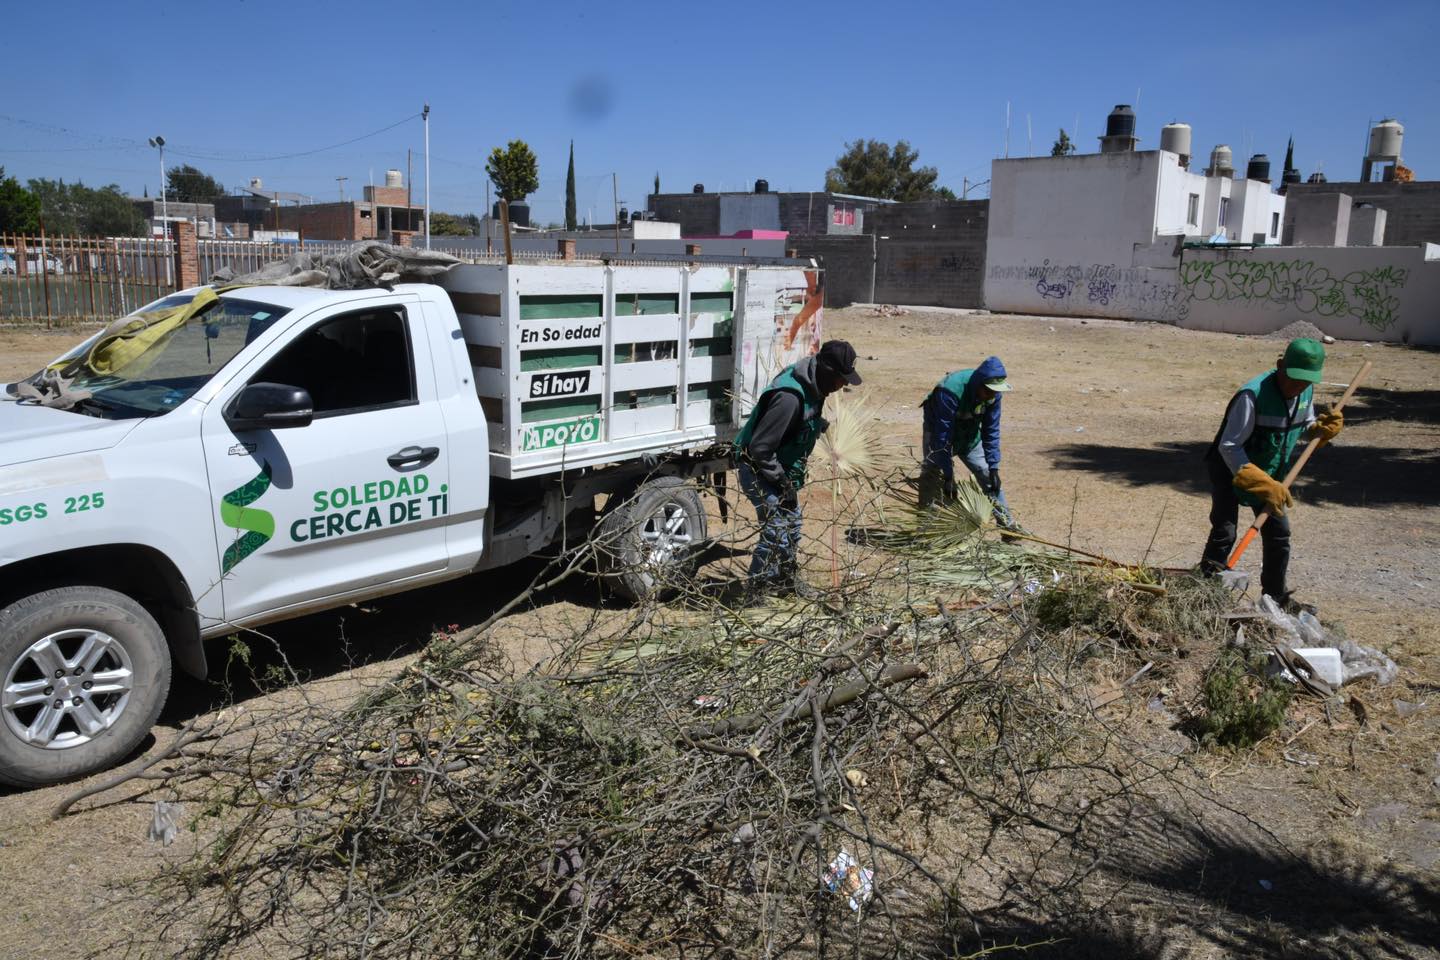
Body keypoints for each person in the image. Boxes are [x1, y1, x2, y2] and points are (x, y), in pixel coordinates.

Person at [1199, 337, 1344, 604]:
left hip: (1271, 473)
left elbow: (1306, 423)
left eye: (1306, 381)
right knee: (1225, 531)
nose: (1298, 387)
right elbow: (1229, 445)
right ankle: (1204, 591)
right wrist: (1255, 479)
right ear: (1280, 366)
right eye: (1294, 379)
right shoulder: (1252, 395)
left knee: (1278, 533)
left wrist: (1319, 431)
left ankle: (1275, 598)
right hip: (1229, 467)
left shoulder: (1305, 391)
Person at [735, 340, 862, 594]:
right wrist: (782, 485)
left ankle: (784, 581)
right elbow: (760, 448)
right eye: (841, 378)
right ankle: (756, 591)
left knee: (792, 524)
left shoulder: (816, 386)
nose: (843, 385)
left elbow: (803, 419)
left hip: (778, 468)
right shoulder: (789, 398)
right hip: (759, 469)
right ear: (826, 370)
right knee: (775, 530)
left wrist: (820, 425)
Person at [918, 356, 1015, 527]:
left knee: (987, 475)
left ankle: (1008, 527)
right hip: (938, 431)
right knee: (931, 473)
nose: (992, 395)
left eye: (995, 391)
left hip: (969, 434)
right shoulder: (949, 392)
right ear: (978, 384)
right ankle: (926, 528)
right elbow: (943, 435)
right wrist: (948, 476)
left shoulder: (993, 395)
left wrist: (994, 467)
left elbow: (991, 430)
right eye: (989, 391)